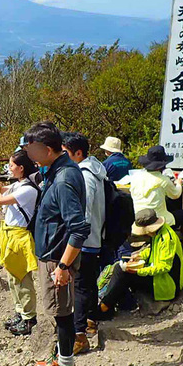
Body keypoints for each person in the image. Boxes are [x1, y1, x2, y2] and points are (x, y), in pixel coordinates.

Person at [22, 122, 90, 366]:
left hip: (56, 256)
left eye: (31, 150)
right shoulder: (57, 169)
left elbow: (79, 228)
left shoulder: (63, 179)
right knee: (59, 310)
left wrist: (63, 266)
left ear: (49, 149)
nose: (28, 155)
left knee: (61, 312)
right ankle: (62, 357)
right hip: (53, 251)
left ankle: (66, 364)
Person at [62, 132, 106, 354]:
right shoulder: (95, 171)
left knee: (80, 286)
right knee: (88, 283)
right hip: (94, 236)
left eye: (66, 153)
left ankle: (79, 335)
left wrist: (74, 239)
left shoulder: (85, 176)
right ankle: (90, 320)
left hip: (84, 239)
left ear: (78, 153)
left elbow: (84, 213)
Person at [0, 151, 40, 337]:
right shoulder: (19, 185)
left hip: (19, 237)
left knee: (22, 279)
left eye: (11, 165)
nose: (9, 169)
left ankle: (29, 318)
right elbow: (2, 191)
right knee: (12, 278)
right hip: (9, 235)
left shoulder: (29, 189)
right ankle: (20, 313)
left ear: (21, 168)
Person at [97, 210, 183, 314]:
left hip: (166, 285)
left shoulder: (166, 239)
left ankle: (104, 308)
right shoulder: (161, 232)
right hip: (160, 279)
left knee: (122, 273)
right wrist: (140, 256)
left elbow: (164, 267)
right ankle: (113, 305)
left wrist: (138, 271)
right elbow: (153, 250)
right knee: (119, 268)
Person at [128, 146, 183, 227]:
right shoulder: (163, 180)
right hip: (159, 220)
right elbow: (175, 195)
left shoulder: (135, 177)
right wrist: (179, 183)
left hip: (139, 220)